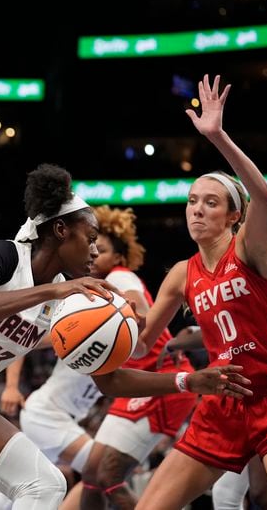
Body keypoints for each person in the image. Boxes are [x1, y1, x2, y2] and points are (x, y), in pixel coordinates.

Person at [0, 163, 251, 510]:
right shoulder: (5, 255)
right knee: (45, 485)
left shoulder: (68, 304)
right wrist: (54, 289)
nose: (93, 253)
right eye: (89, 240)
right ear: (59, 231)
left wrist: (187, 381)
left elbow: (110, 381)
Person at [134, 75, 267, 510]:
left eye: (211, 202)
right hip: (223, 403)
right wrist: (104, 322)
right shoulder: (181, 274)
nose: (197, 208)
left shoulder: (249, 250)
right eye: (192, 200)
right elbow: (143, 339)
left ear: (235, 215)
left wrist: (217, 137)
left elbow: (265, 195)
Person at [76, 206, 197, 510]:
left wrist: (136, 316)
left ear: (117, 258)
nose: (93, 254)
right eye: (91, 247)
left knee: (109, 476)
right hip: (135, 384)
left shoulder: (121, 276)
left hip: (161, 383)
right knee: (91, 473)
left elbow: (140, 309)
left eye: (101, 249)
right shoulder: (91, 288)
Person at [159, 326, 267, 510]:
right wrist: (177, 342)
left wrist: (171, 344)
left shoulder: (240, 306)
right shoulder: (211, 310)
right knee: (225, 494)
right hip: (245, 396)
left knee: (264, 495)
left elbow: (209, 332)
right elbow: (189, 331)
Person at [0, 354, 104, 510]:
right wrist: (11, 387)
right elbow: (27, 343)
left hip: (62, 420)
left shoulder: (127, 348)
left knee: (25, 487)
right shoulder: (81, 331)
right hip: (46, 414)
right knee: (101, 470)